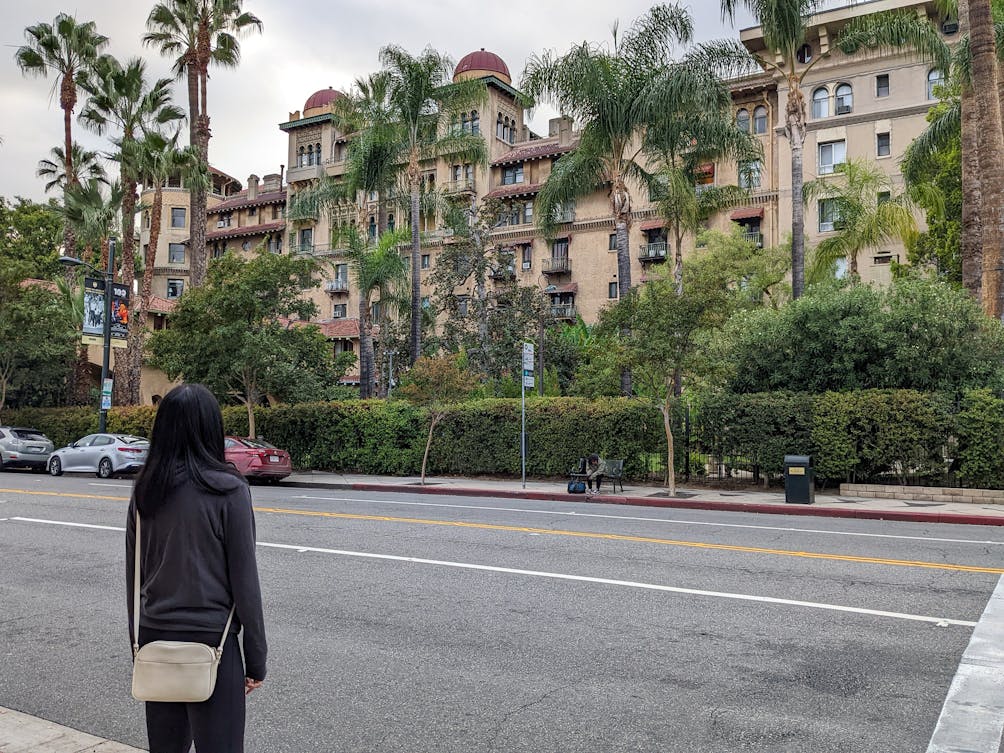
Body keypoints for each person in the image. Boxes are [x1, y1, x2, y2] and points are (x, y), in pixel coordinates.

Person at [126, 383, 267, 753]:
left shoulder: (146, 491)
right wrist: (257, 659)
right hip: (214, 644)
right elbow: (245, 582)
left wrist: (137, 645)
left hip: (156, 638)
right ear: (212, 429)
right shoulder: (228, 490)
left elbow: (134, 576)